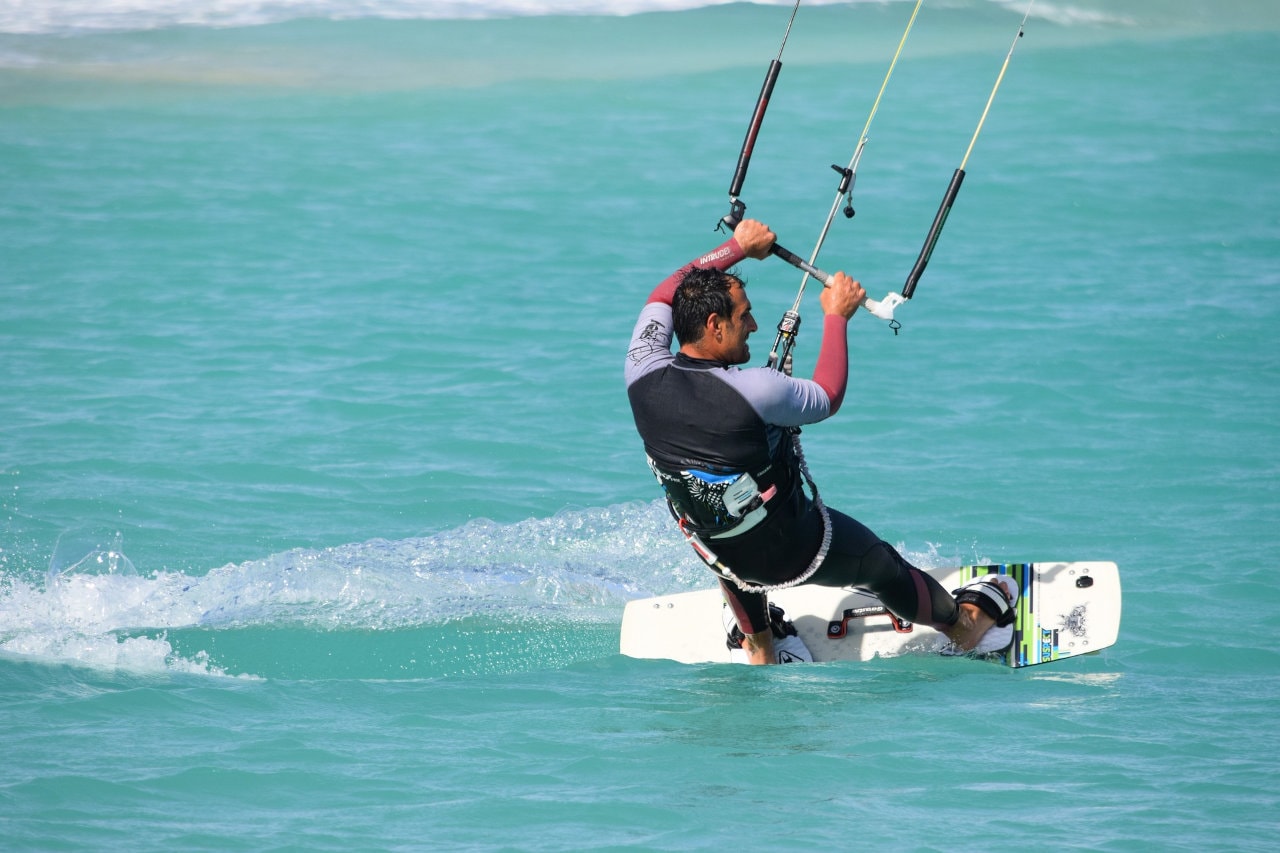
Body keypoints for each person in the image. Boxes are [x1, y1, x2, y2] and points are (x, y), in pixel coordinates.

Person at [624, 218, 1017, 665]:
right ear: (714, 325)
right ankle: (963, 626)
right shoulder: (755, 390)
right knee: (879, 565)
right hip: (791, 548)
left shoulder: (641, 368)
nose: (753, 325)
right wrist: (836, 315)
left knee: (727, 534)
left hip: (712, 545)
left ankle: (761, 645)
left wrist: (735, 247)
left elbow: (662, 294)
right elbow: (827, 395)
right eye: (743, 315)